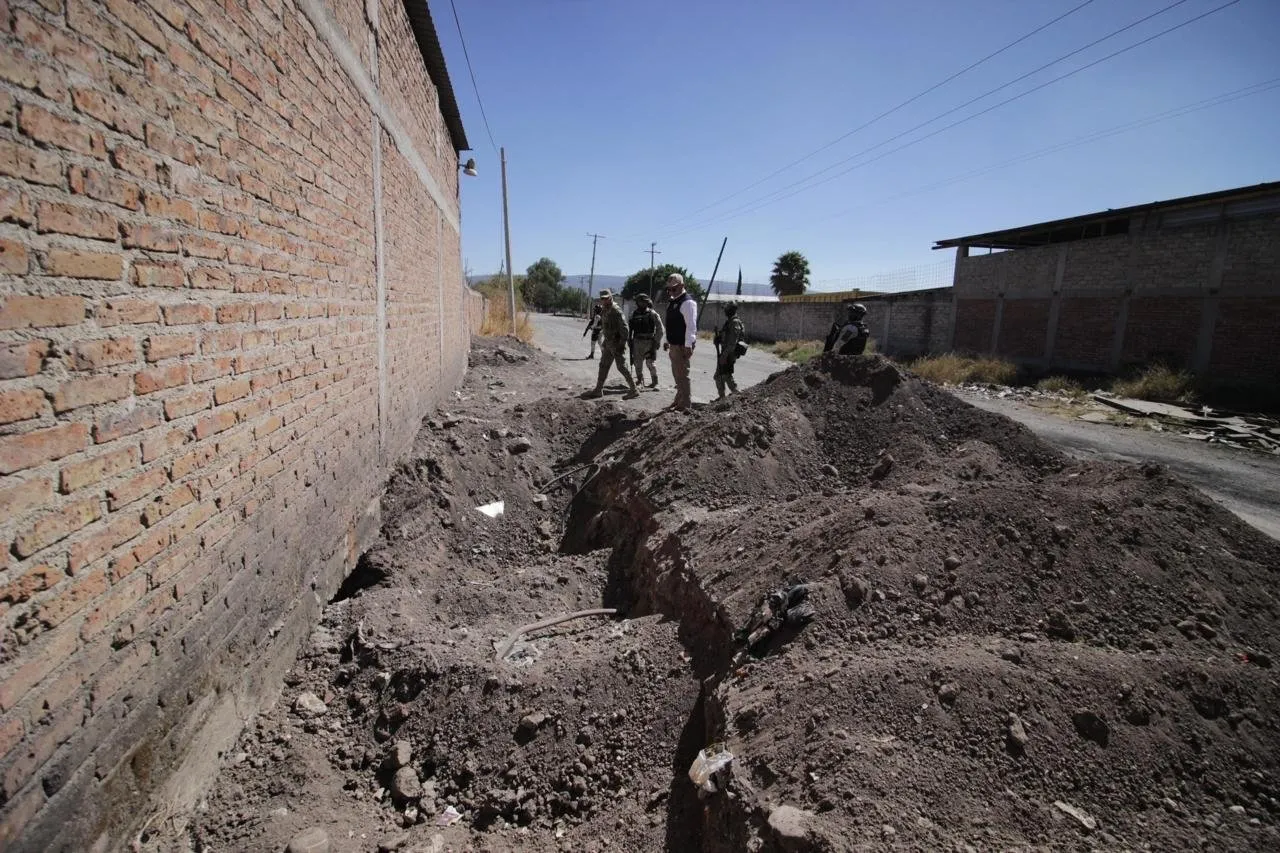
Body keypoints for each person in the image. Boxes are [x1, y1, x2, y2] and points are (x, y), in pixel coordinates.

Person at [584, 290, 639, 400]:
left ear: (610, 297)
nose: (604, 300)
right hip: (608, 343)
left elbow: (625, 329)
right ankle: (598, 389)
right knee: (603, 365)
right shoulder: (605, 309)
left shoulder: (616, 310)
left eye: (606, 298)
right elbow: (605, 326)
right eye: (602, 298)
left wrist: (622, 344)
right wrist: (605, 340)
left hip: (617, 343)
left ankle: (634, 389)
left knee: (621, 366)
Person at [662, 273, 698, 411]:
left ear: (682, 286)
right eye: (669, 289)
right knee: (677, 375)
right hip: (674, 344)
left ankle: (685, 405)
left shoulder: (687, 302)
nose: (670, 292)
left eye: (674, 289)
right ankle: (678, 400)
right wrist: (667, 340)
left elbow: (691, 326)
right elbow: (670, 324)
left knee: (683, 375)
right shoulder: (673, 301)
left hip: (682, 345)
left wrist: (689, 345)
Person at [628, 293, 664, 389]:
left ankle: (655, 382)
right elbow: (630, 329)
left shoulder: (652, 314)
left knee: (650, 363)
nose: (641, 303)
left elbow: (660, 329)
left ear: (647, 302)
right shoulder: (634, 314)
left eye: (643, 301)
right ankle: (640, 381)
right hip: (637, 342)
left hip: (649, 342)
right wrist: (629, 340)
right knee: (637, 363)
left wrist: (656, 341)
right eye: (639, 301)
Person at [713, 303, 745, 399]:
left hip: (729, 353)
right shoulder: (729, 322)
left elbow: (732, 343)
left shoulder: (734, 322)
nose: (725, 311)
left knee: (723, 375)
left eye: (726, 309)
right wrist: (718, 338)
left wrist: (724, 356)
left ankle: (737, 395)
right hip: (726, 352)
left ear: (731, 310)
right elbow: (725, 337)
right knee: (722, 375)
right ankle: (723, 397)